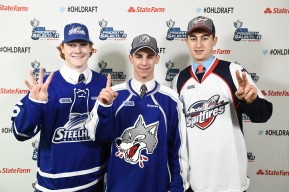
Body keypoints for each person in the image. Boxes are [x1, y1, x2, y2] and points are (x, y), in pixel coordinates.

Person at [171, 16, 273, 192]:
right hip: (194, 182)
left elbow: (263, 115)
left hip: (230, 181)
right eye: (193, 39)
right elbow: (177, 134)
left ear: (214, 40)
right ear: (186, 41)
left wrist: (250, 100)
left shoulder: (233, 71)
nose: (199, 44)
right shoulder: (178, 80)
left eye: (205, 38)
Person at [11, 23, 110, 192]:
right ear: (62, 49)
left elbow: (106, 134)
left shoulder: (103, 83)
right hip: (54, 185)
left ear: (91, 49)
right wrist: (35, 103)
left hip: (94, 182)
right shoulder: (46, 85)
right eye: (71, 45)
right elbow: (20, 133)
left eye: (83, 44)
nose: (77, 50)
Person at [85, 34, 189, 192]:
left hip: (158, 186)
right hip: (119, 187)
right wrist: (103, 107)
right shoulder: (111, 95)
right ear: (131, 58)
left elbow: (179, 151)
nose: (144, 62)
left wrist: (176, 188)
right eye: (139, 56)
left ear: (157, 59)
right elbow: (98, 136)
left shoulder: (171, 99)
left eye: (150, 56)